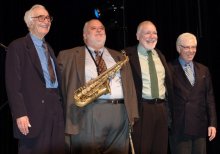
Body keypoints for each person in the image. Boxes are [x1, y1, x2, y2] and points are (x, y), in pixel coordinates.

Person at [57, 19, 139, 154]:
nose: (99, 30)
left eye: (101, 28)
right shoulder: (68, 56)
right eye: (94, 28)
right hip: (88, 112)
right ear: (84, 35)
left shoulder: (119, 56)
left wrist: (132, 114)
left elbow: (130, 87)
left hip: (120, 113)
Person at [5, 4, 65, 154]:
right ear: (30, 22)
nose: (46, 21)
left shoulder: (49, 48)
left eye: (48, 18)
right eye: (41, 17)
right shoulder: (17, 46)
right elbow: (13, 84)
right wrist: (20, 113)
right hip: (33, 112)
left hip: (55, 108)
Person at [124, 20, 173, 154]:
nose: (152, 36)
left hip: (161, 110)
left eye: (155, 33)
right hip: (141, 111)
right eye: (147, 33)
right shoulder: (127, 55)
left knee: (160, 149)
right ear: (137, 36)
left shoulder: (160, 55)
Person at [168, 32, 217, 154]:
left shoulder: (203, 70)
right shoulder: (168, 69)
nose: (191, 51)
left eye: (194, 47)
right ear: (178, 48)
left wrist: (212, 123)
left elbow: (209, 99)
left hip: (199, 126)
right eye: (187, 47)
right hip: (179, 127)